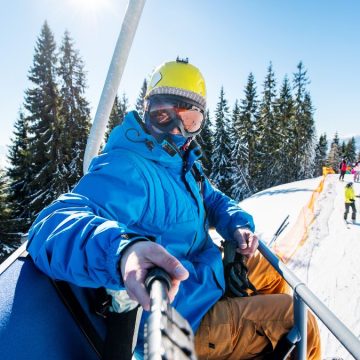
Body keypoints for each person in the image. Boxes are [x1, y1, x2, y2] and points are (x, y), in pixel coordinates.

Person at [27, 58, 321, 359]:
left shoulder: (182, 165)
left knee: (271, 269)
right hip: (181, 318)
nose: (177, 131)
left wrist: (236, 224)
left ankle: (263, 344)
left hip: (204, 277)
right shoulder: (127, 166)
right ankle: (265, 332)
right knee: (300, 321)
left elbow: (215, 198)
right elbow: (53, 222)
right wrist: (122, 250)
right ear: (147, 112)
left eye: (190, 120)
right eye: (164, 115)